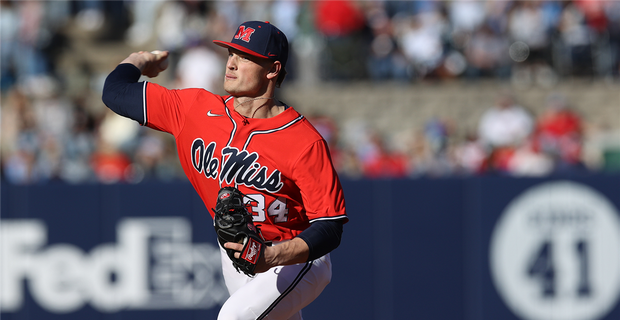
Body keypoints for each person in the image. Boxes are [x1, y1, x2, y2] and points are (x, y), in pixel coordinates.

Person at [101, 21, 348, 319]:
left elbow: (330, 227)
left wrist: (270, 256)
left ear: (272, 69)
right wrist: (140, 60)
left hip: (295, 257)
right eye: (231, 53)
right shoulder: (193, 109)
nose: (231, 63)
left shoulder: (304, 141)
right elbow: (115, 91)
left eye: (245, 57)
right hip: (236, 252)